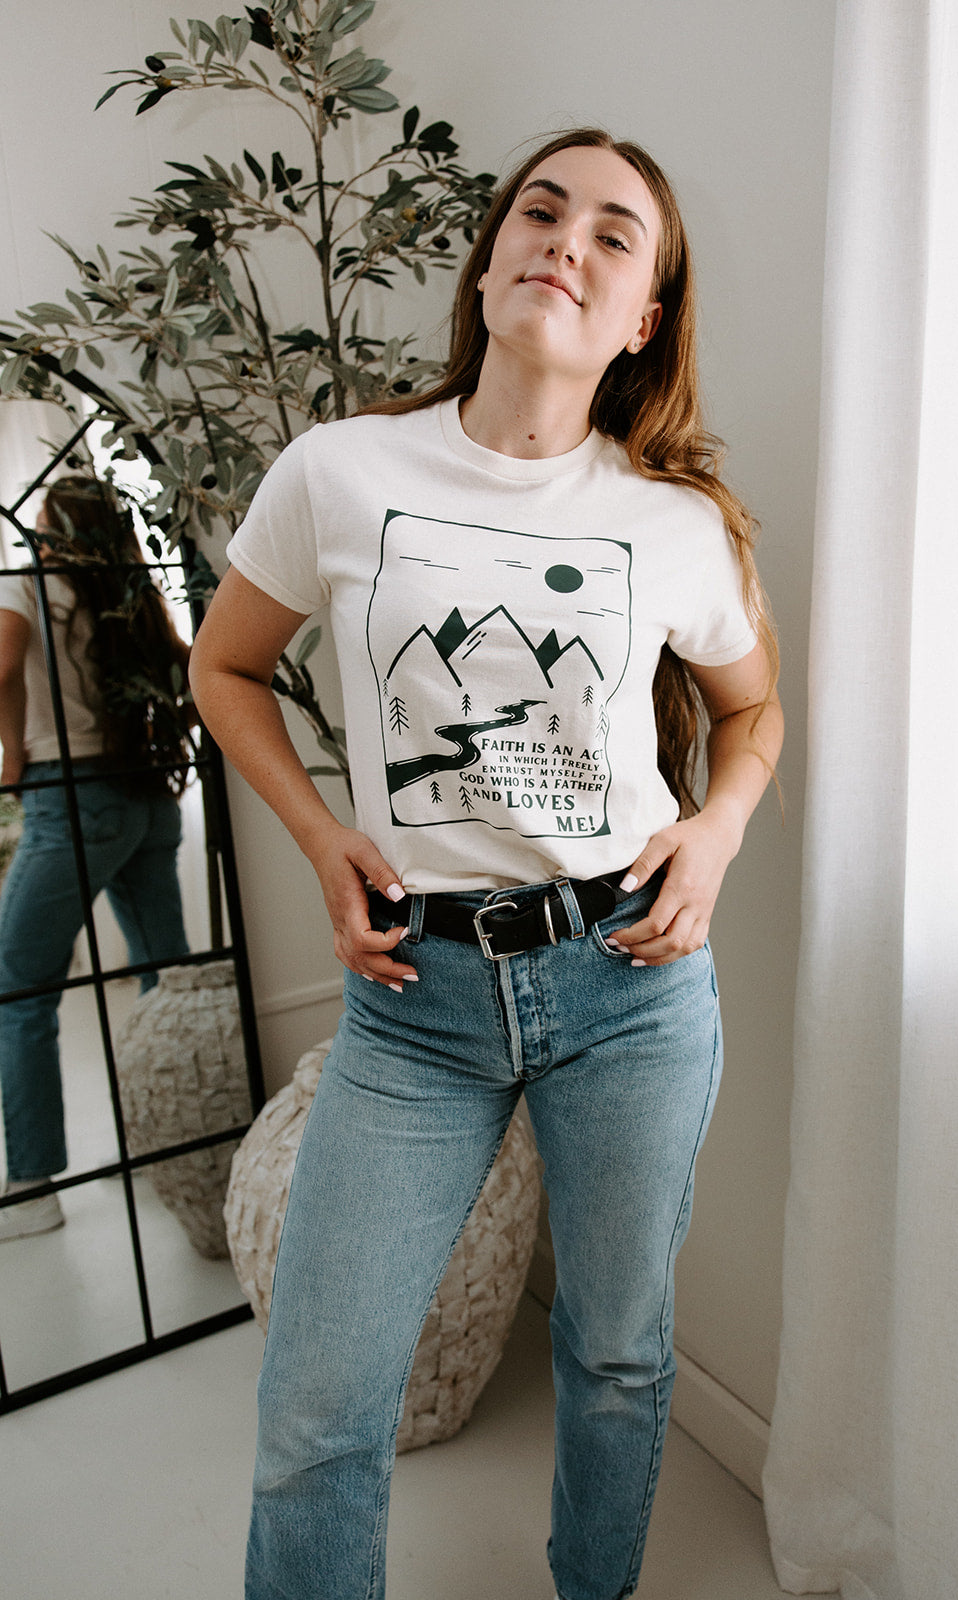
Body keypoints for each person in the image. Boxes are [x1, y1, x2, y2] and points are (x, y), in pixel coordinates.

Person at [190, 128, 784, 1600]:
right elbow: (225, 666)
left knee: (615, 1354)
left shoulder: (673, 523)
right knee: (318, 1411)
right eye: (539, 209)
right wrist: (323, 833)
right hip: (415, 1002)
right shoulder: (340, 471)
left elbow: (753, 709)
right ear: (489, 257)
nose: (564, 241)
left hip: (627, 984)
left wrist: (712, 829)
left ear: (641, 318)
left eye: (611, 234)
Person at [0, 475, 193, 1240]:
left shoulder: (28, 583)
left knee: (18, 989)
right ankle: (176, 1147)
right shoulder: (129, 590)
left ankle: (32, 1185)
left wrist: (11, 752)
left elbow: (2, 667)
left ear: (52, 528)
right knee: (168, 978)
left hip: (73, 797)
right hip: (144, 792)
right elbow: (183, 671)